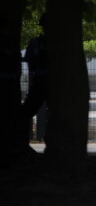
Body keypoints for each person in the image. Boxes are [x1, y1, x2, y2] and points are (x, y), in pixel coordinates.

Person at [17, 13, 49, 152]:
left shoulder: (36, 43)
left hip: (41, 81)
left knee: (27, 111)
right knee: (28, 112)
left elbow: (30, 64)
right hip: (45, 82)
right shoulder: (38, 43)